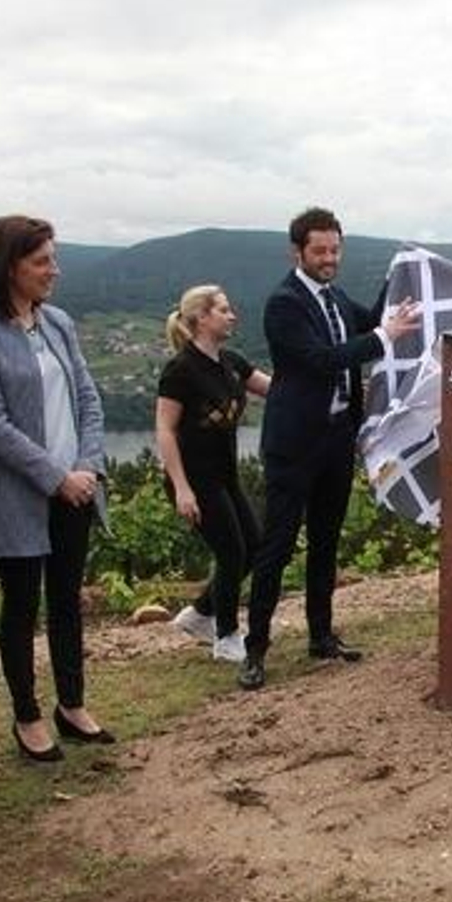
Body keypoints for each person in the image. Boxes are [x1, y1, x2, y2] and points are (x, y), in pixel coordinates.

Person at [0, 215, 113, 762]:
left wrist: (87, 466)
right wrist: (55, 476)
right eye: (42, 261)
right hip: (23, 494)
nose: (54, 271)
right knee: (20, 608)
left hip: (78, 486)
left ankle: (72, 704)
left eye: (54, 258)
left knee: (66, 601)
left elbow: (87, 397)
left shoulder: (58, 322)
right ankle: (26, 716)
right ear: (8, 266)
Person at [240, 207, 421, 691]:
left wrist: (403, 273)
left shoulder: (337, 298)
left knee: (325, 542)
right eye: (319, 250)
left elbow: (373, 323)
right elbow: (323, 360)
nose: (328, 258)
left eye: (335, 249)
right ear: (296, 251)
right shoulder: (284, 304)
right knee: (275, 549)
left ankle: (321, 636)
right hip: (293, 445)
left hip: (336, 439)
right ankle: (254, 650)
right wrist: (384, 337)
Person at [156, 284, 271, 662]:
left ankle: (199, 615)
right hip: (194, 480)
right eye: (223, 309)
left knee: (253, 547)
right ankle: (226, 637)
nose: (232, 315)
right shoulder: (181, 369)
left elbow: (274, 388)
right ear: (201, 318)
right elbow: (165, 431)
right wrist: (182, 488)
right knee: (231, 551)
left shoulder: (232, 361)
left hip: (225, 476)